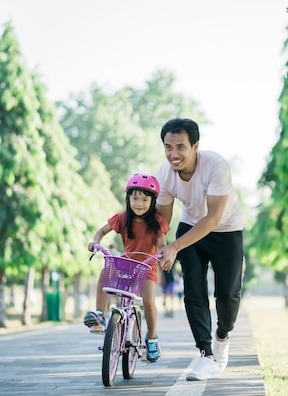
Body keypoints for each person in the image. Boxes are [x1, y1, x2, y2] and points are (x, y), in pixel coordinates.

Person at [156, 118, 243, 381]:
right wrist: (164, 249)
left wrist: (175, 246)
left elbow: (213, 218)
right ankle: (205, 354)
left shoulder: (216, 165)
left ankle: (222, 336)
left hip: (226, 230)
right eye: (168, 147)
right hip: (190, 228)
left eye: (180, 147)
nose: (174, 154)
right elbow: (162, 221)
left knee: (228, 294)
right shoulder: (165, 173)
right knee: (194, 290)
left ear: (196, 146)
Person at [84, 173, 170, 363]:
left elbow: (162, 244)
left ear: (152, 201)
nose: (139, 203)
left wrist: (164, 254)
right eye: (135, 198)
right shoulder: (122, 218)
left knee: (148, 301)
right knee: (105, 273)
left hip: (147, 266)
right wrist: (95, 242)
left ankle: (152, 339)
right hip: (127, 263)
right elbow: (101, 231)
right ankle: (99, 314)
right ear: (128, 198)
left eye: (145, 199)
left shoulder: (157, 222)